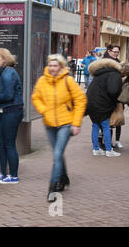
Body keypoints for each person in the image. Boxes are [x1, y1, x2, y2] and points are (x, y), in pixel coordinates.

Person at [32, 54, 87, 202]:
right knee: (58, 153)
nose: (52, 68)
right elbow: (36, 97)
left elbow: (81, 99)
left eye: (55, 65)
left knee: (57, 154)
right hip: (49, 124)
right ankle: (64, 177)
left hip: (65, 123)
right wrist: (44, 110)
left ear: (61, 67)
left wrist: (76, 123)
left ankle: (53, 186)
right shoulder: (42, 81)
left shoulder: (68, 80)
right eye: (50, 65)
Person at [0, 48, 24, 185]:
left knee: (9, 144)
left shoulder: (8, 73)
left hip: (12, 112)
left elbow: (8, 95)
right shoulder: (3, 72)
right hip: (4, 112)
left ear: (4, 59)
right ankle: (3, 174)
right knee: (0, 143)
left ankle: (13, 176)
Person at [86, 57, 122, 157]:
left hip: (91, 104)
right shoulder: (114, 74)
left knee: (95, 126)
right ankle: (109, 150)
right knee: (106, 126)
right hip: (102, 105)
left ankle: (96, 149)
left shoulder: (98, 75)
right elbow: (113, 91)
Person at [102, 45, 123, 149]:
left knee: (118, 118)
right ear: (109, 51)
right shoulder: (104, 63)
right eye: (114, 52)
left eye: (117, 52)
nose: (116, 54)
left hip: (118, 94)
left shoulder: (118, 62)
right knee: (107, 121)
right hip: (107, 95)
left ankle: (117, 140)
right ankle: (107, 143)